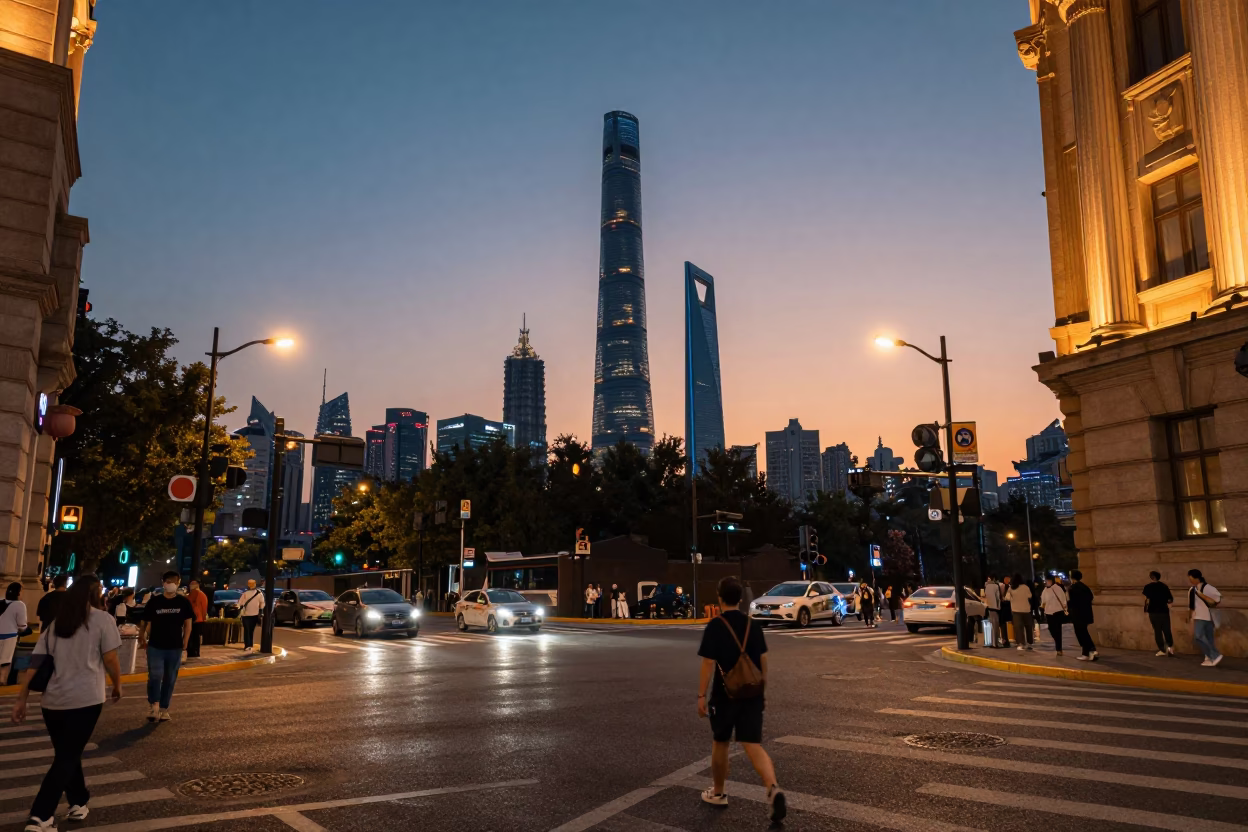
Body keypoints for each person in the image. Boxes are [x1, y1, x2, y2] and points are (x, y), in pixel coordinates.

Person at [11, 574, 122, 830]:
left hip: (52, 702)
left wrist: (22, 698)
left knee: (67, 754)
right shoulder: (103, 620)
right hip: (85, 700)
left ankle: (78, 802)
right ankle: (41, 815)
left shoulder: (55, 624)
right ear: (95, 594)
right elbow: (112, 660)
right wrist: (117, 685)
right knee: (66, 757)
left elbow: (35, 663)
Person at [696, 576, 785, 823]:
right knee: (752, 743)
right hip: (752, 693)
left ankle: (719, 792)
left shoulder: (716, 625)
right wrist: (762, 689)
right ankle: (773, 787)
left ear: (720, 597)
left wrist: (701, 695)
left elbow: (707, 662)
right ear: (740, 598)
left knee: (721, 742)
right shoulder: (752, 625)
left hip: (725, 695)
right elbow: (763, 661)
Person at [138, 571, 193, 722]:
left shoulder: (183, 602)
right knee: (155, 676)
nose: (170, 584)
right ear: (163, 583)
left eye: (173, 581)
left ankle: (164, 708)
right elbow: (145, 621)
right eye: (167, 581)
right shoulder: (154, 602)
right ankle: (153, 705)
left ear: (179, 582)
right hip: (155, 646)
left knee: (170, 678)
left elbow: (188, 624)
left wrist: (185, 642)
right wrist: (141, 636)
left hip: (175, 646)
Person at [1188, 568, 1223, 667]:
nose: (1190, 581)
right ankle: (1209, 657)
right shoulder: (1192, 590)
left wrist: (1202, 596)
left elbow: (1217, 599)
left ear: (1197, 578)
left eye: (1191, 579)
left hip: (1206, 616)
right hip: (1199, 616)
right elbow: (1191, 605)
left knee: (1198, 636)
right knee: (1208, 638)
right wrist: (1190, 617)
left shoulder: (1208, 588)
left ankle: (1214, 655)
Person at [1142, 571, 1175, 657]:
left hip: (1153, 612)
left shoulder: (1148, 587)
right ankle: (1170, 647)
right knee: (1167, 629)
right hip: (1164, 611)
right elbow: (1170, 600)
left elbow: (1146, 599)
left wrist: (1145, 609)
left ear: (1151, 577)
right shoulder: (1164, 586)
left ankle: (1162, 649)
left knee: (1158, 631)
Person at [1067, 569, 1097, 661]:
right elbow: (1091, 597)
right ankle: (1086, 653)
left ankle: (1091, 649)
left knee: (1081, 633)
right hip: (1086, 613)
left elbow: (1071, 602)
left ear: (1072, 577)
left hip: (1078, 614)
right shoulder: (1085, 587)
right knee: (1084, 632)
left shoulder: (1072, 588)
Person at [1039, 575, 1068, 656]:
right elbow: (1043, 599)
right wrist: (1042, 606)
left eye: (1048, 580)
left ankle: (1059, 649)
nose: (1047, 582)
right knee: (1051, 628)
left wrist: (1064, 607)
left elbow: (1063, 599)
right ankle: (1057, 641)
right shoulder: (1045, 589)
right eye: (1046, 581)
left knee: (1058, 630)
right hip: (1048, 612)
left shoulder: (1057, 588)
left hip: (1057, 611)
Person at [236, 579, 265, 652]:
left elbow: (240, 603)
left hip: (247, 615)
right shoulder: (259, 593)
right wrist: (260, 610)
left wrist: (238, 607)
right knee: (250, 630)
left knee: (248, 630)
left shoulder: (245, 594)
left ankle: (248, 645)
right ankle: (249, 645)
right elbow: (262, 603)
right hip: (253, 615)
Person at [1007, 575, 1034, 651]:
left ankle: (1020, 643)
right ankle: (1029, 643)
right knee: (1028, 627)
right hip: (1026, 610)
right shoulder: (1025, 587)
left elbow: (1007, 598)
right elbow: (1030, 596)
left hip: (1016, 611)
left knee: (1018, 628)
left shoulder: (1011, 588)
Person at [186, 579, 208, 659]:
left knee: (192, 636)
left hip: (195, 618)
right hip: (198, 619)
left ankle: (193, 651)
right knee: (195, 636)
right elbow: (204, 608)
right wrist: (204, 618)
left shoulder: (195, 594)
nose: (191, 585)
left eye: (192, 584)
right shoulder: (202, 594)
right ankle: (195, 652)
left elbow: (203, 608)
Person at [982, 573, 1004, 648]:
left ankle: (992, 642)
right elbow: (998, 597)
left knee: (992, 626)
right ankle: (995, 644)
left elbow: (985, 596)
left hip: (989, 607)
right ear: (994, 579)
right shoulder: (995, 586)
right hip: (995, 608)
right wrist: (999, 607)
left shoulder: (986, 586)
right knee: (995, 626)